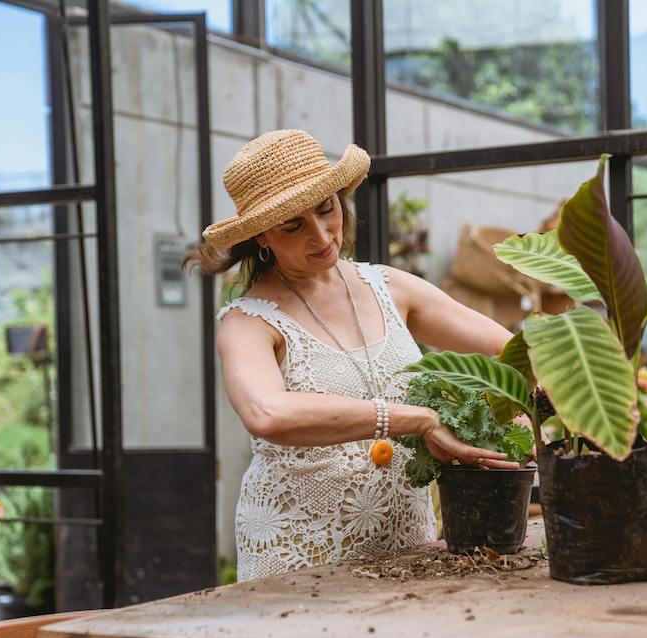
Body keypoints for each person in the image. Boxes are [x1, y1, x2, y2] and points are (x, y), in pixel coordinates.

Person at [185, 129, 521, 581]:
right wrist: (417, 419)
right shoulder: (247, 322)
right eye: (292, 226)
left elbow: (507, 350)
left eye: (327, 209)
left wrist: (536, 407)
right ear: (262, 237)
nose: (321, 234)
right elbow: (267, 413)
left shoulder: (390, 287)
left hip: (406, 550)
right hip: (299, 558)